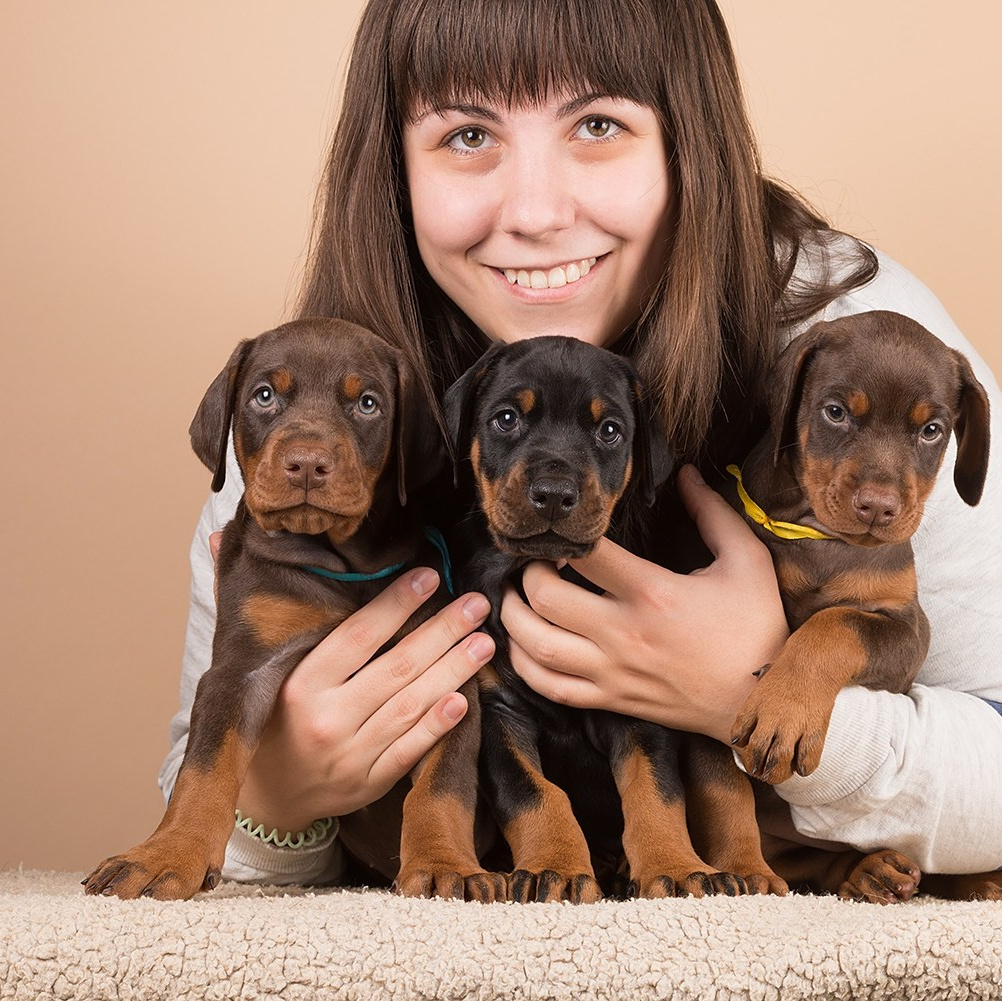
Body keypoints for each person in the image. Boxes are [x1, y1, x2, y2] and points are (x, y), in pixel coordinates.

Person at [160, 0, 1002, 889]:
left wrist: (744, 694)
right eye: (467, 135)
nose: (535, 212)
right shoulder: (324, 402)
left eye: (598, 125)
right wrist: (278, 799)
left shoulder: (856, 339)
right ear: (392, 168)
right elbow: (204, 791)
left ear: (690, 140)